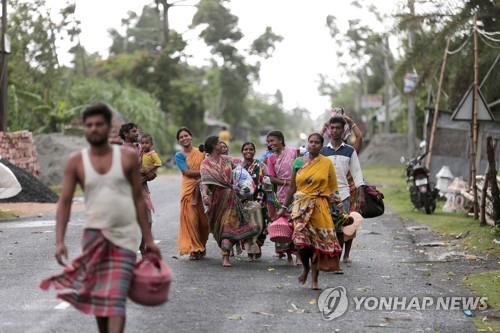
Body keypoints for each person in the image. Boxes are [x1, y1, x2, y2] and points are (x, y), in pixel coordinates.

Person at [39, 102, 161, 333]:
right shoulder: (77, 161)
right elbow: (64, 202)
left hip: (125, 236)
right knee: (100, 297)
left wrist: (149, 239)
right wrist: (59, 241)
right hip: (94, 237)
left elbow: (138, 198)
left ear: (109, 128)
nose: (94, 129)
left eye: (99, 124)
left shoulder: (126, 157)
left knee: (116, 296)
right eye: (89, 125)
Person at [281, 133, 342, 290]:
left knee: (316, 245)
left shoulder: (327, 163)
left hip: (319, 207)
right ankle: (306, 268)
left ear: (321, 145)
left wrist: (340, 210)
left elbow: (333, 187)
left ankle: (315, 279)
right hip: (300, 206)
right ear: (307, 144)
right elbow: (292, 187)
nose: (313, 144)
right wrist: (283, 207)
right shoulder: (298, 162)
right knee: (301, 243)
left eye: (316, 142)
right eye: (311, 142)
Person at [200, 136, 259, 267]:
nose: (223, 145)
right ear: (214, 146)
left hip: (231, 197)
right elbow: (205, 183)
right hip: (216, 199)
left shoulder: (227, 160)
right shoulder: (205, 164)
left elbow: (243, 166)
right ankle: (225, 252)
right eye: (220, 143)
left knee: (228, 225)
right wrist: (205, 196)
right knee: (219, 228)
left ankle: (225, 257)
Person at [320, 116, 365, 265]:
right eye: (332, 128)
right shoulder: (322, 150)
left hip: (344, 195)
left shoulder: (349, 151)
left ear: (343, 130)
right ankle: (328, 255)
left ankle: (338, 258)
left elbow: (357, 173)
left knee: (343, 227)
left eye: (338, 128)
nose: (334, 131)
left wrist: (361, 195)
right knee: (325, 227)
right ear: (328, 129)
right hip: (325, 196)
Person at [175, 127, 209, 260]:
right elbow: (187, 173)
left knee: (205, 222)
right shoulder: (179, 155)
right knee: (192, 220)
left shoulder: (200, 152)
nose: (184, 138)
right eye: (181, 137)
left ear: (191, 136)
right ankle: (194, 249)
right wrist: (205, 172)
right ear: (179, 141)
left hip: (203, 189)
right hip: (188, 190)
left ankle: (202, 245)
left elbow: (208, 162)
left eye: (186, 135)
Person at [265, 130, 298, 264]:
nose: (270, 144)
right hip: (281, 194)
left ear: (280, 140)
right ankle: (287, 254)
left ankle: (298, 254)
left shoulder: (294, 152)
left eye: (272, 141)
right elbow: (271, 178)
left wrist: (294, 183)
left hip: (296, 193)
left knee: (295, 222)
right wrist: (286, 182)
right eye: (268, 142)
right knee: (283, 223)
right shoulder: (271, 158)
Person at [241, 142, 268, 261]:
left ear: (254, 151)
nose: (248, 151)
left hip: (260, 200)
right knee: (247, 225)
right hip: (245, 201)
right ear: (242, 151)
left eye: (251, 149)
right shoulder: (239, 167)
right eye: (246, 149)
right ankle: (250, 250)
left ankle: (257, 247)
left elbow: (267, 179)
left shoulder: (260, 165)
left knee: (260, 225)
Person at [138, 134, 161, 253]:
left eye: (146, 143)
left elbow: (158, 164)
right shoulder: (140, 152)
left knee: (147, 219)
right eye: (142, 143)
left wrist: (148, 170)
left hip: (144, 180)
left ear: (151, 144)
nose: (144, 145)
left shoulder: (152, 154)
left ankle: (145, 243)